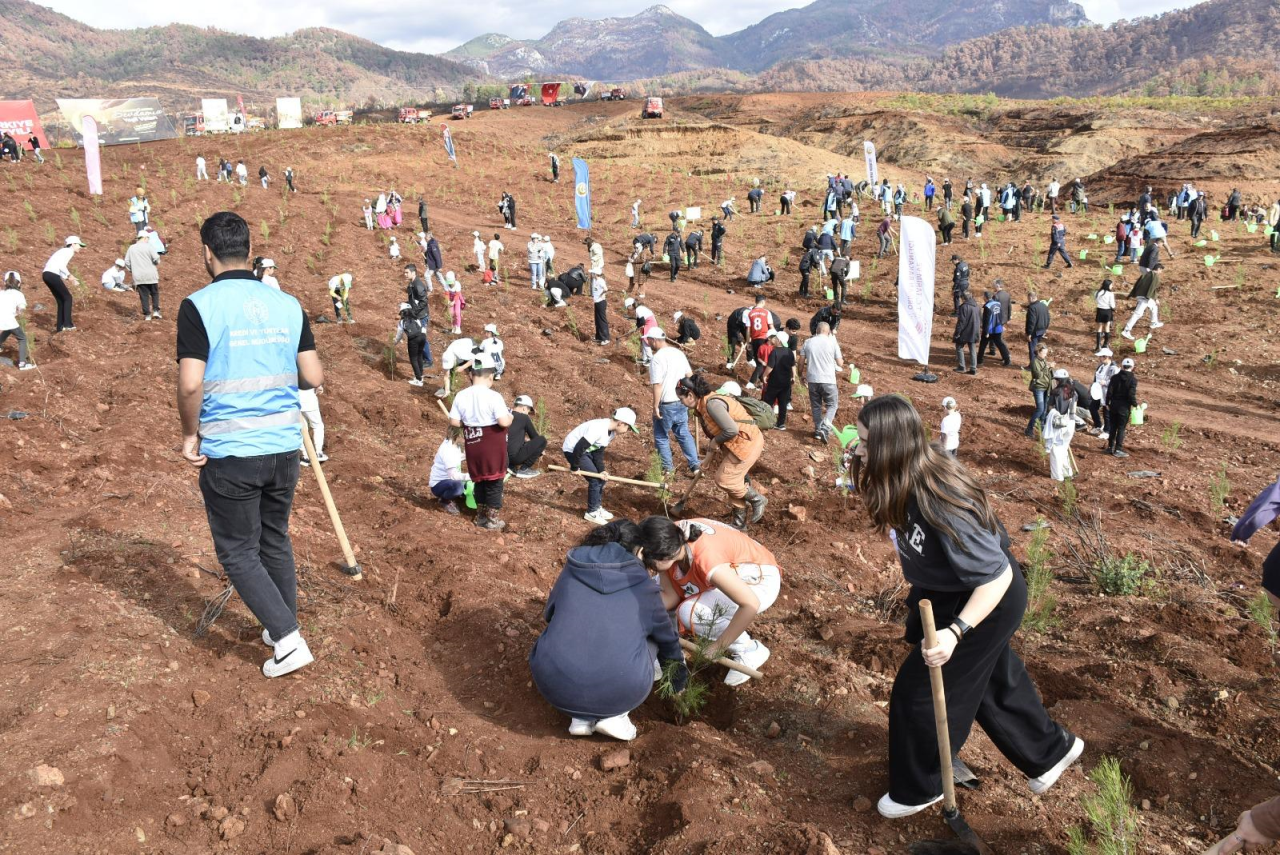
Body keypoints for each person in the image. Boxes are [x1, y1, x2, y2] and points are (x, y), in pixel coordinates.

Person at [854, 395, 1083, 818]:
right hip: (947, 590)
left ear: (890, 446)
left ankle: (920, 787)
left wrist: (956, 631)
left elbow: (997, 577)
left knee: (919, 693)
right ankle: (1050, 751)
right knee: (990, 680)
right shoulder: (900, 474)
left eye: (866, 442)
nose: (858, 448)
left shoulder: (939, 498)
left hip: (987, 597)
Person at [177, 211, 324, 678]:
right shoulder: (287, 303)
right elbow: (312, 375)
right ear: (249, 249)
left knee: (238, 551)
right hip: (284, 448)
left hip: (232, 451)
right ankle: (282, 624)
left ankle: (288, 641)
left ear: (207, 252)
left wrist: (189, 434)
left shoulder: (198, 306)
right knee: (274, 538)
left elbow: (190, 384)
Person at [530, 520, 687, 741]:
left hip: (553, 686)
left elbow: (549, 614)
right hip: (620, 691)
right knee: (653, 636)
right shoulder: (644, 587)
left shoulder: (574, 567)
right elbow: (667, 641)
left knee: (570, 628)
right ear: (639, 552)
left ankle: (580, 718)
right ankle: (616, 716)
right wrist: (678, 680)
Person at [638, 515, 778, 684]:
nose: (647, 567)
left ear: (664, 556)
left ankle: (748, 649)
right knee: (653, 589)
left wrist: (719, 646)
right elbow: (670, 596)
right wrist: (638, 607)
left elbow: (750, 604)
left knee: (690, 611)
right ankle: (669, 656)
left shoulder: (706, 560)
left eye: (648, 563)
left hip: (757, 579)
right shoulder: (665, 537)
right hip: (724, 568)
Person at [679, 375, 766, 529]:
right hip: (737, 444)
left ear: (690, 395)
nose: (681, 402)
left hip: (747, 442)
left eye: (681, 399)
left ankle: (757, 499)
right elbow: (716, 436)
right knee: (735, 482)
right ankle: (739, 524)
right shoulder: (703, 405)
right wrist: (707, 460)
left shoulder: (712, 405)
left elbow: (731, 430)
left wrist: (715, 442)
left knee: (725, 480)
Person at [449, 352, 512, 530]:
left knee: (479, 480)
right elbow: (503, 422)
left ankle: (481, 517)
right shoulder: (493, 396)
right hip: (492, 445)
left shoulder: (462, 395)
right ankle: (492, 519)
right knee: (494, 481)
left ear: (471, 375)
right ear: (490, 376)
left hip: (473, 443)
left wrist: (469, 423)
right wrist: (511, 417)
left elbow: (454, 421)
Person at [563, 408, 640, 525]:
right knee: (595, 480)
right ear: (620, 423)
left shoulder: (611, 433)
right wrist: (575, 467)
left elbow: (598, 453)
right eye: (628, 427)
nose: (627, 430)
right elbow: (579, 447)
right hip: (573, 450)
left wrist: (602, 470)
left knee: (601, 478)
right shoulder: (598, 428)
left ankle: (597, 507)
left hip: (586, 451)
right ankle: (591, 512)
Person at [648, 329, 699, 475]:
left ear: (654, 340)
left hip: (666, 403)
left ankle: (668, 470)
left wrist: (655, 406)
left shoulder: (657, 358)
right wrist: (694, 396)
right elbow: (690, 375)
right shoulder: (678, 353)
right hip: (682, 401)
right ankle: (695, 466)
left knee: (661, 436)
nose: (648, 343)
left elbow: (657, 384)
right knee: (683, 433)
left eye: (648, 340)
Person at [800, 321, 843, 443]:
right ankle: (825, 427)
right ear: (828, 332)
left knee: (816, 405)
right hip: (828, 380)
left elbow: (801, 361)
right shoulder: (832, 342)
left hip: (812, 380)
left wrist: (800, 375)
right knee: (832, 405)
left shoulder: (808, 342)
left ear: (817, 330)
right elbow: (840, 363)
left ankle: (818, 431)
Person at [42, 236, 84, 333]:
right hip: (52, 274)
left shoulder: (62, 251)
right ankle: (67, 325)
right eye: (79, 245)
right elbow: (61, 265)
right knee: (68, 297)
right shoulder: (68, 251)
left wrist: (69, 278)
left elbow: (59, 267)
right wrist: (69, 276)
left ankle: (60, 328)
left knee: (61, 300)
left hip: (46, 275)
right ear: (73, 244)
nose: (80, 247)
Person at [1043, 369, 1077, 480]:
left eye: (1057, 380)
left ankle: (1057, 476)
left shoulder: (1056, 392)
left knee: (1056, 450)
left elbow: (1049, 408)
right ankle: (1067, 473)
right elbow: (1073, 410)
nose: (1056, 382)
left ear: (1059, 380)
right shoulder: (1073, 392)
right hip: (1070, 423)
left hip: (1059, 424)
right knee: (1064, 448)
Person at [761, 329, 795, 430]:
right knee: (783, 403)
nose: (774, 339)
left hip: (774, 381)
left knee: (768, 401)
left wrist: (764, 375)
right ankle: (781, 424)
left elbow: (770, 367)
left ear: (779, 341)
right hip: (786, 382)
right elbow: (793, 365)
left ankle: (765, 420)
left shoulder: (774, 352)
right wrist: (794, 376)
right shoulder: (789, 352)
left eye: (775, 338)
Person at [429, 427, 469, 515]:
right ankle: (445, 500)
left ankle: (458, 496)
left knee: (467, 484)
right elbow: (453, 475)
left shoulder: (455, 443)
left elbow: (464, 454)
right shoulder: (448, 450)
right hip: (439, 484)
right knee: (458, 487)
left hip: (449, 480)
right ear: (457, 436)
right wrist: (471, 476)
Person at [124, 231, 162, 320]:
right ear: (145, 238)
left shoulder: (131, 248)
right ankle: (156, 311)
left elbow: (127, 262)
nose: (148, 240)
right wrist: (156, 263)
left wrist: (132, 270)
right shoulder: (149, 247)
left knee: (144, 295)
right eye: (148, 238)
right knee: (154, 293)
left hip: (139, 276)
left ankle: (147, 315)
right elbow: (156, 258)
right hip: (151, 275)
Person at [1104, 358, 1138, 458]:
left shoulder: (1114, 377)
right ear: (1132, 367)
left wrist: (1107, 402)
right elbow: (1131, 394)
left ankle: (1110, 447)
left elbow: (1109, 391)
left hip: (1113, 405)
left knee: (1113, 426)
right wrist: (1135, 405)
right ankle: (1118, 449)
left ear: (1122, 366)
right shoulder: (1133, 380)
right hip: (1124, 408)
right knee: (1121, 428)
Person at [0, 271, 34, 370]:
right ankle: (23, 363)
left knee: (9, 329)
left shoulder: (1, 293)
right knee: (22, 338)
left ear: (5, 282)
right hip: (8, 319)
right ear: (19, 284)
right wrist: (19, 312)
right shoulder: (19, 294)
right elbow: (21, 308)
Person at [1121, 263, 1164, 340]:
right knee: (1138, 314)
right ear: (1158, 269)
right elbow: (1152, 289)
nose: (1161, 272)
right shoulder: (1155, 277)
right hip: (1145, 297)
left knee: (1154, 307)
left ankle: (1154, 322)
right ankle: (1126, 330)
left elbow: (1138, 284)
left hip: (1141, 295)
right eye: (1161, 270)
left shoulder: (1146, 274)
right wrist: (1155, 298)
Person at [507, 395, 546, 478]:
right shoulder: (524, 418)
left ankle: (510, 466)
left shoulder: (505, 416)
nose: (528, 413)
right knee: (542, 440)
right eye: (528, 410)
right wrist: (541, 450)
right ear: (524, 408)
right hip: (514, 458)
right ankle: (524, 469)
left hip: (501, 457)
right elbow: (535, 437)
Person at [393, 302, 428, 386]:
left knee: (413, 359)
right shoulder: (416, 318)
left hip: (413, 340)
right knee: (419, 355)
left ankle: (418, 380)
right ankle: (420, 376)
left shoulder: (402, 322)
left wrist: (394, 343)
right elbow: (422, 328)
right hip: (422, 337)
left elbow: (399, 336)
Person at [1024, 342, 1052, 438]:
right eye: (1044, 353)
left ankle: (1042, 428)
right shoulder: (1035, 361)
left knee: (1044, 410)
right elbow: (1038, 375)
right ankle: (1029, 429)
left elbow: (1046, 373)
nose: (1045, 355)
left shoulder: (1043, 360)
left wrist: (1048, 367)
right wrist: (1047, 367)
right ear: (1038, 352)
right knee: (1040, 409)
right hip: (1039, 388)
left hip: (1046, 387)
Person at [744, 294, 772, 390]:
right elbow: (771, 327)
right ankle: (751, 383)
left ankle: (762, 381)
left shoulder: (750, 313)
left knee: (758, 360)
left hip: (755, 340)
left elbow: (748, 329)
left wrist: (748, 342)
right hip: (764, 339)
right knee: (762, 363)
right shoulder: (766, 312)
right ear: (763, 302)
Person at [1090, 348, 1119, 438]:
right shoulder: (1101, 366)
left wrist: (1105, 383)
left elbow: (1115, 381)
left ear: (1106, 357)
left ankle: (1107, 431)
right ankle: (1098, 425)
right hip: (1098, 392)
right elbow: (1096, 378)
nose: (1100, 358)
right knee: (1092, 407)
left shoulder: (1113, 368)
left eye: (1101, 357)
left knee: (1106, 411)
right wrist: (1092, 386)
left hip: (1107, 393)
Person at [976, 290, 1009, 367]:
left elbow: (986, 320)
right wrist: (1001, 325)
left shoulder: (987, 306)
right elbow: (1001, 315)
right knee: (1000, 344)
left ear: (985, 297)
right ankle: (1007, 359)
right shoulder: (998, 303)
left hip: (990, 330)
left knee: (983, 345)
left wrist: (986, 331)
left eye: (983, 296)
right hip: (997, 328)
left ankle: (979, 361)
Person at [298, 384, 326, 465]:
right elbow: (314, 379)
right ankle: (318, 453)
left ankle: (305, 456)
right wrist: (319, 386)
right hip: (309, 400)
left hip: (295, 401)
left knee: (301, 428)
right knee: (317, 425)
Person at [953, 292, 980, 375]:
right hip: (974, 330)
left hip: (965, 331)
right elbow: (980, 319)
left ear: (963, 298)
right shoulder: (977, 306)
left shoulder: (964, 307)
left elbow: (961, 322)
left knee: (959, 346)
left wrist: (957, 333)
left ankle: (962, 367)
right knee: (972, 349)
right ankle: (973, 368)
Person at [1024, 290, 1050, 369]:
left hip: (1034, 332)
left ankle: (1032, 367)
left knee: (1033, 349)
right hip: (1042, 330)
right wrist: (1045, 329)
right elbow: (1048, 318)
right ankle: (1039, 365)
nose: (1028, 300)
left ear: (1031, 298)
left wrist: (1029, 333)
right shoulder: (1043, 306)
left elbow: (1031, 322)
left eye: (1028, 299)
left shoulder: (1032, 308)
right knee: (1039, 349)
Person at [1094, 279, 1116, 351]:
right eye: (1111, 285)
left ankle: (1098, 346)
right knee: (1107, 328)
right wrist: (1114, 308)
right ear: (1108, 285)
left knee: (1099, 328)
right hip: (1107, 311)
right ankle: (1105, 345)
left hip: (1100, 311)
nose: (1112, 286)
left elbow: (1096, 300)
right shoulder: (1110, 294)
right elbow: (1112, 305)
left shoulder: (1097, 292)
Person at [591, 271, 610, 345]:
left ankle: (605, 338)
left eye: (592, 273)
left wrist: (600, 295)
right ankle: (598, 336)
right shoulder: (594, 280)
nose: (591, 274)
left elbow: (606, 289)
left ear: (595, 274)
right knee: (597, 320)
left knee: (602, 320)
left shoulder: (600, 281)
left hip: (601, 302)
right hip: (596, 302)